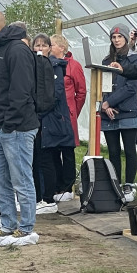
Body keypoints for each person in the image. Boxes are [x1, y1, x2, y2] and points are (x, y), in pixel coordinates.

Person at [0, 10, 40, 246]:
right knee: (0, 178)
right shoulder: (2, 49)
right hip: (2, 125)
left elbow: (21, 91)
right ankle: (8, 226)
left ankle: (26, 230)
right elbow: (3, 90)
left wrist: (9, 122)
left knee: (21, 178)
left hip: (18, 127)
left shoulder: (17, 50)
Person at [34, 35, 79, 205]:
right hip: (41, 119)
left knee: (60, 153)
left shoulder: (58, 67)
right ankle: (44, 194)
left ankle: (53, 194)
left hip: (54, 117)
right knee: (43, 156)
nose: (40, 48)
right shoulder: (34, 66)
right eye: (36, 45)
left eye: (44, 45)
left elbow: (75, 92)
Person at [99, 25, 137, 187]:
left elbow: (131, 87)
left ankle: (129, 184)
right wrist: (106, 105)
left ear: (125, 38)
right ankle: (115, 185)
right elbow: (104, 85)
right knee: (113, 152)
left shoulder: (134, 60)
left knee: (130, 150)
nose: (116, 40)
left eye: (120, 37)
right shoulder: (106, 61)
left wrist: (111, 101)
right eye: (114, 37)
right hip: (108, 113)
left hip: (127, 110)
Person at [50, 34, 87, 200]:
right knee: (53, 150)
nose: (49, 48)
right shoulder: (49, 64)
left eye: (51, 45)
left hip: (68, 114)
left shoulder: (74, 66)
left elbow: (81, 92)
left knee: (67, 150)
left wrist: (74, 111)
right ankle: (56, 185)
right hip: (52, 114)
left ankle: (67, 187)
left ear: (61, 47)